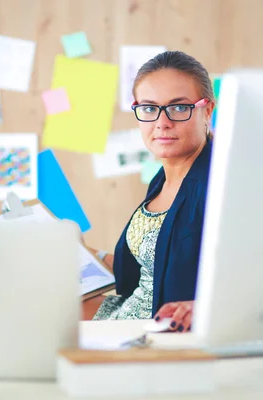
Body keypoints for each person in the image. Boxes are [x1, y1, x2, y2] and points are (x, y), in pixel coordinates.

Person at [88, 50, 215, 333]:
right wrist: (83, 252)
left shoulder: (220, 184)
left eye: (179, 107)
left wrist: (204, 307)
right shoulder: (162, 178)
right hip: (128, 311)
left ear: (207, 110)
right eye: (149, 108)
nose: (162, 122)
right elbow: (151, 265)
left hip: (158, 333)